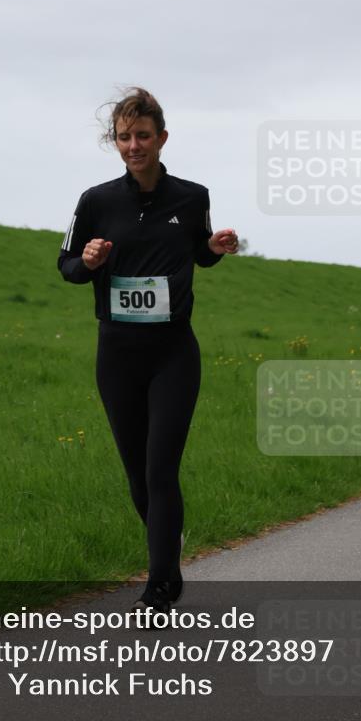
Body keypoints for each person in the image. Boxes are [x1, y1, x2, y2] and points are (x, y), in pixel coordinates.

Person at [57, 88, 239, 623]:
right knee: (138, 476)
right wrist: (88, 261)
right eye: (123, 136)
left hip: (172, 352)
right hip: (117, 353)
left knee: (161, 470)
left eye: (142, 136)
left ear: (161, 138)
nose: (133, 145)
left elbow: (199, 257)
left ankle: (160, 585)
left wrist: (214, 248)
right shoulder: (96, 201)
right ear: (114, 141)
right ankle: (169, 543)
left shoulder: (191, 196)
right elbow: (66, 266)